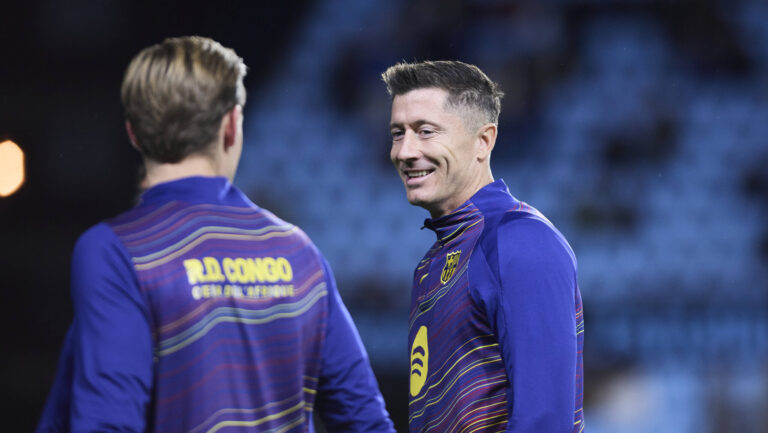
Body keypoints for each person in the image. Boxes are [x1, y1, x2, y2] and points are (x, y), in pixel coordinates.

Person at [35, 36, 395, 433]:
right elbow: (366, 422)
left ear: (133, 133)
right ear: (230, 126)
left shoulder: (117, 252)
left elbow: (106, 424)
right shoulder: (298, 252)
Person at [382, 60, 585, 433]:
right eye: (398, 133)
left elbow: (546, 422)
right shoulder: (433, 263)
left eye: (425, 132)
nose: (405, 151)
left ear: (484, 140)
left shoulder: (519, 241)